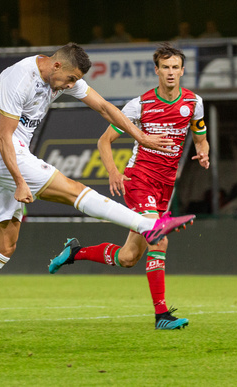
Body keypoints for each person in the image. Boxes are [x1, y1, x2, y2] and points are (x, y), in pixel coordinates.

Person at [0, 42, 196, 356]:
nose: (72, 86)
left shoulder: (63, 77)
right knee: (75, 190)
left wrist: (141, 137)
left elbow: (104, 107)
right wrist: (21, 181)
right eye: (71, 79)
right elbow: (3, 137)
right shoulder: (19, 78)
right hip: (3, 157)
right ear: (56, 66)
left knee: (4, 245)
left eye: (76, 81)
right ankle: (148, 226)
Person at [49, 43, 209, 330]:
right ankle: (162, 316)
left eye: (176, 67)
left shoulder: (194, 103)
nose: (171, 72)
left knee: (129, 257)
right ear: (157, 70)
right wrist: (113, 171)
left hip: (165, 188)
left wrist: (204, 151)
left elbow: (200, 137)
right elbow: (104, 141)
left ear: (182, 71)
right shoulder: (141, 105)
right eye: (166, 67)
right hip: (140, 180)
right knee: (158, 238)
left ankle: (75, 252)